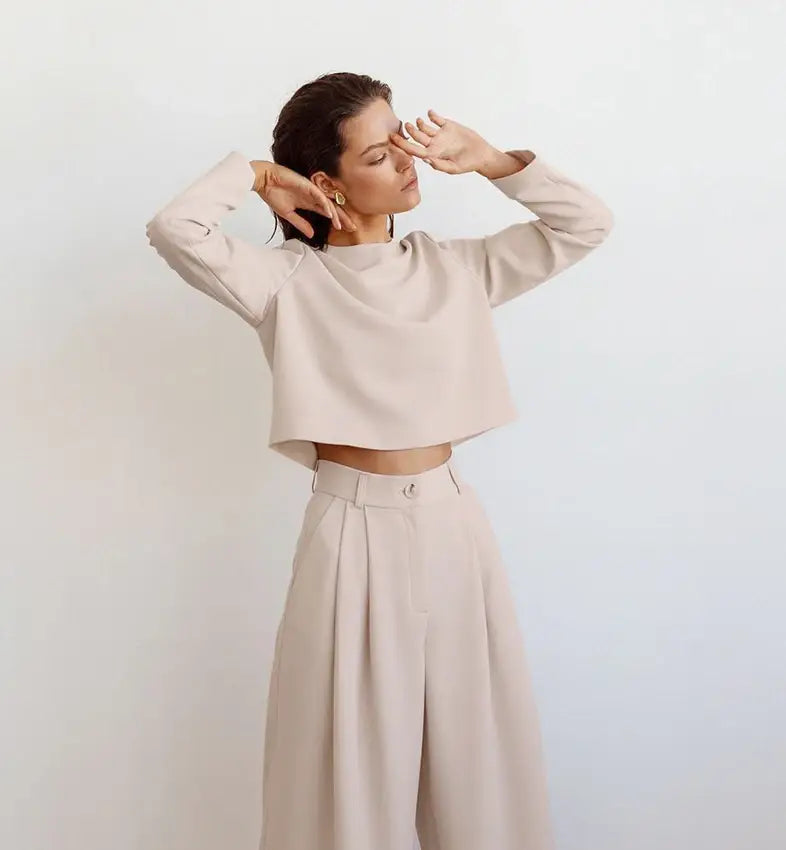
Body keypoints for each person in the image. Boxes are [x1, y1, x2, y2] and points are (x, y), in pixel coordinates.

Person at [145, 71, 613, 850]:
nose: (407, 161)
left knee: (480, 764)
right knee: (345, 773)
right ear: (326, 182)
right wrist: (258, 176)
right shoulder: (283, 282)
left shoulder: (454, 269)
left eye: (403, 141)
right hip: (350, 532)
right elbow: (175, 229)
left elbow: (586, 225)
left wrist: (494, 161)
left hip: (454, 526)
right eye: (378, 154)